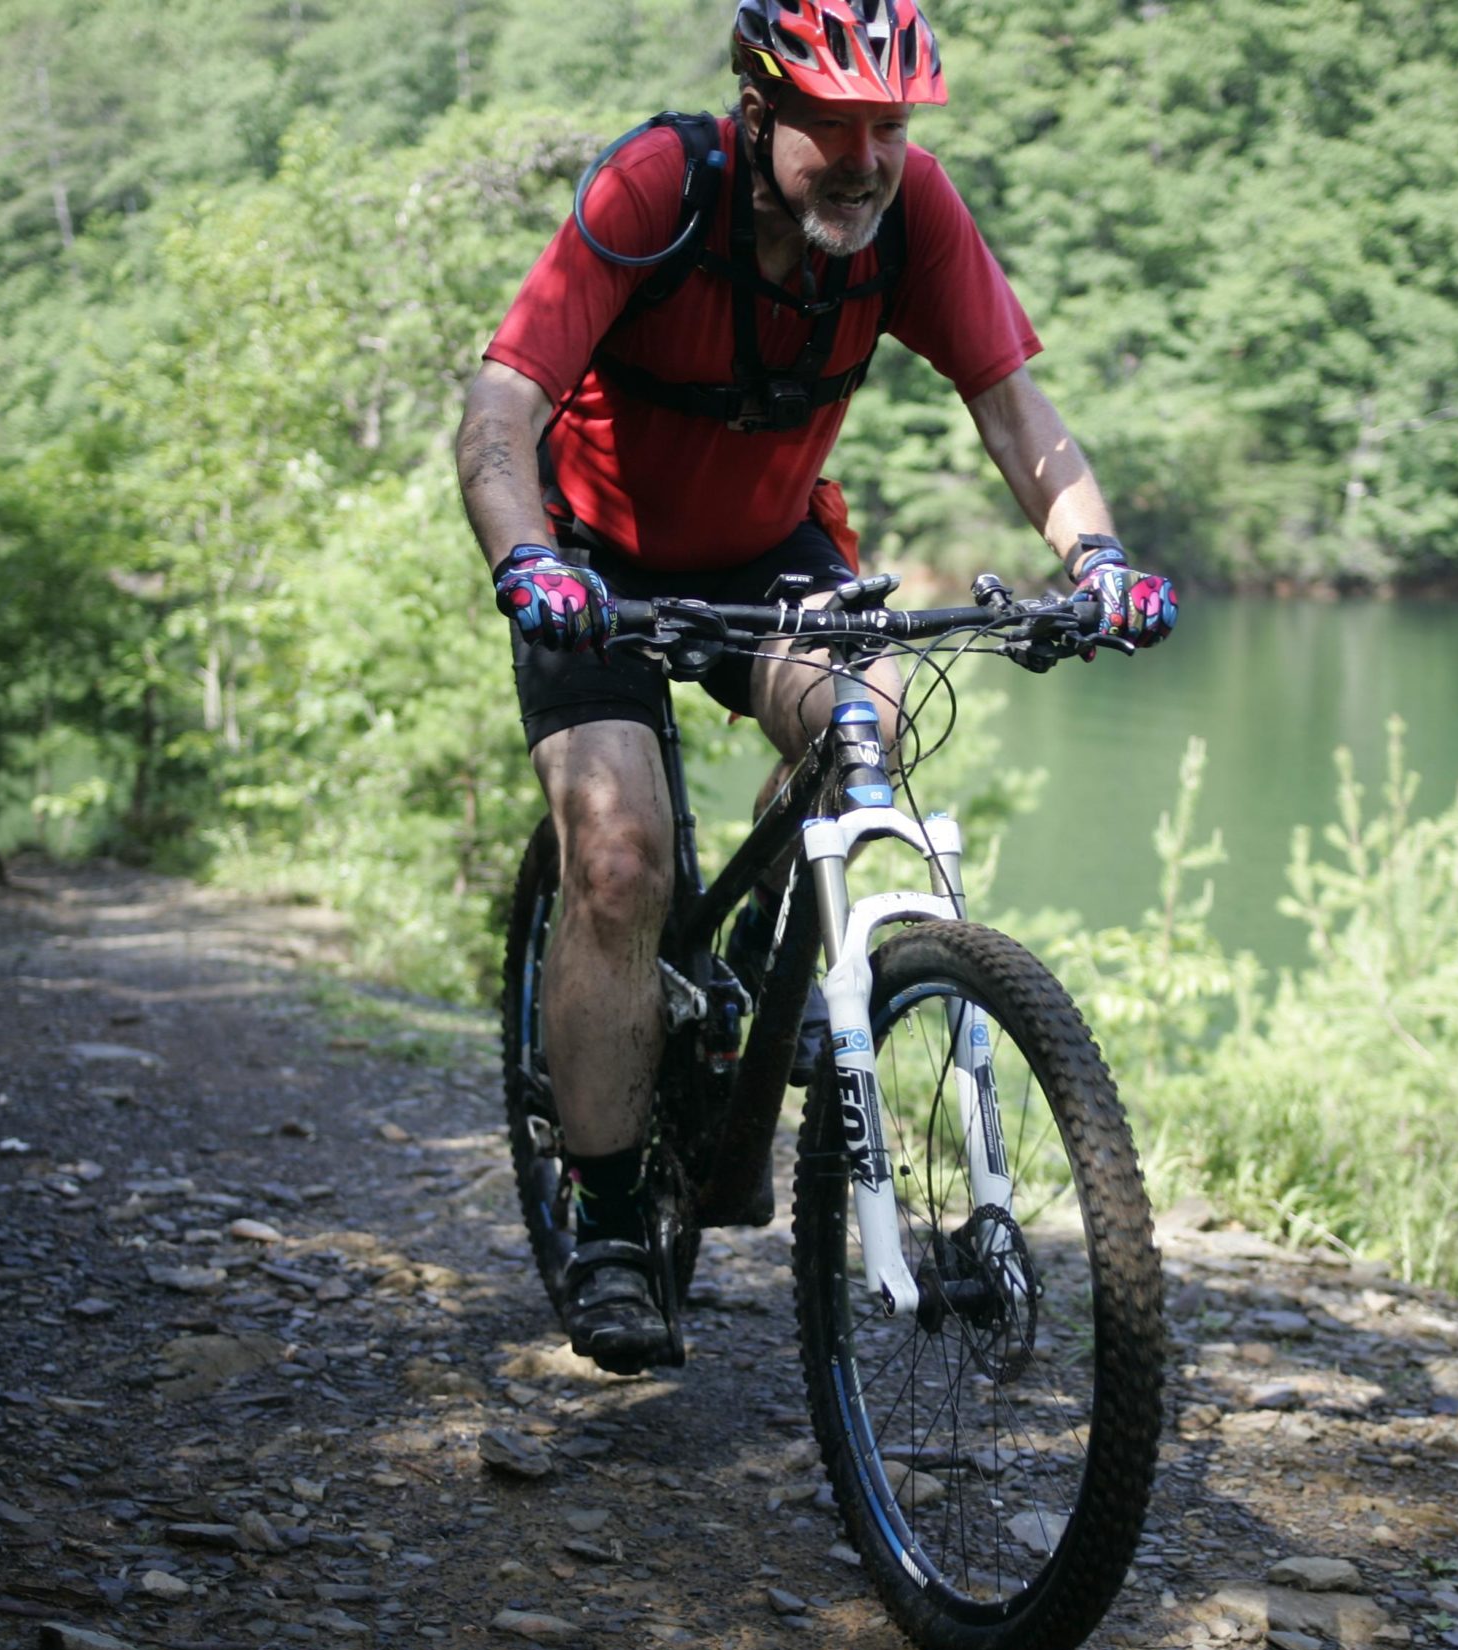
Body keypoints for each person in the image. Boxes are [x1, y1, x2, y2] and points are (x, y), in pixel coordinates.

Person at [456, 0, 1174, 1373]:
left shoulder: (913, 221)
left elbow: (1018, 410)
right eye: (833, 128)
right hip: (591, 559)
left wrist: (1098, 558)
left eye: (888, 128)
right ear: (757, 105)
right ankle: (609, 1225)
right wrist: (527, 559)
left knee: (873, 722)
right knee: (616, 856)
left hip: (767, 552)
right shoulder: (660, 187)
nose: (863, 159)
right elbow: (500, 414)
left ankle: (764, 993)